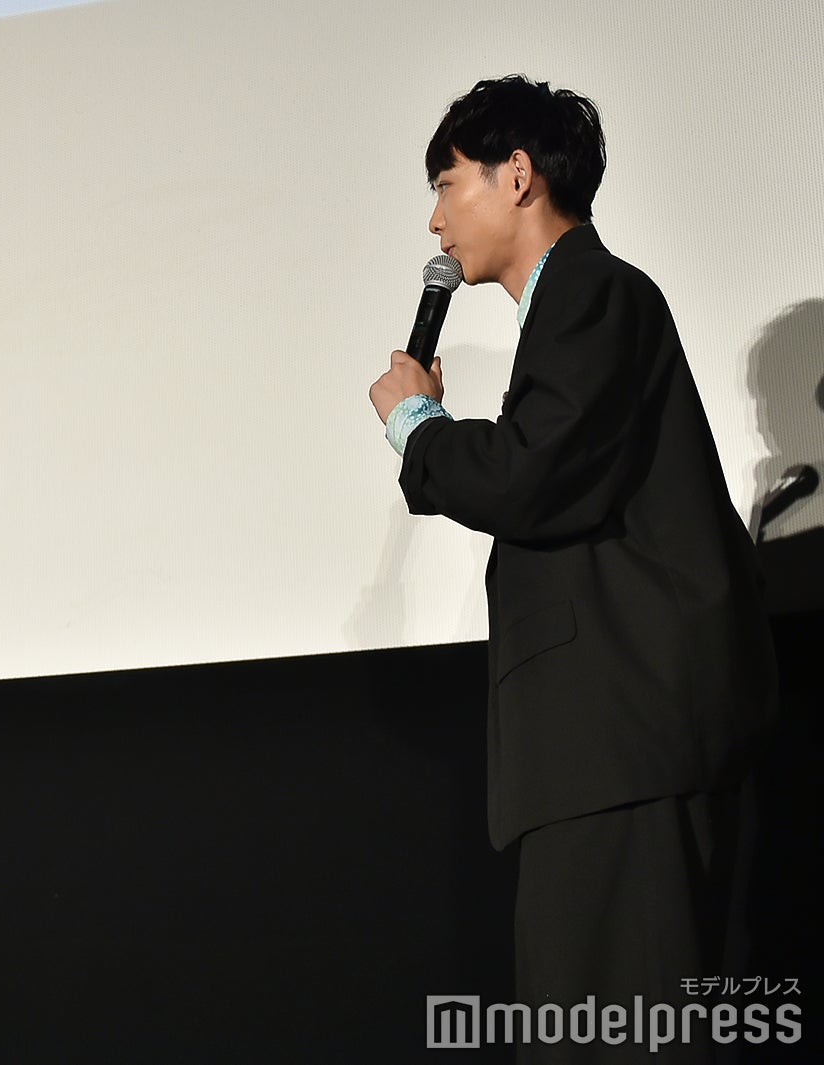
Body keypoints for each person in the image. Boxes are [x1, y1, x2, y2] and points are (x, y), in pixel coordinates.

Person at [368, 77, 777, 1061]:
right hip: (600, 755)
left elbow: (532, 474)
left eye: (446, 183)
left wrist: (417, 425)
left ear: (516, 176)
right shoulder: (575, 308)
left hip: (621, 744)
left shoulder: (593, 291)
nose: (434, 219)